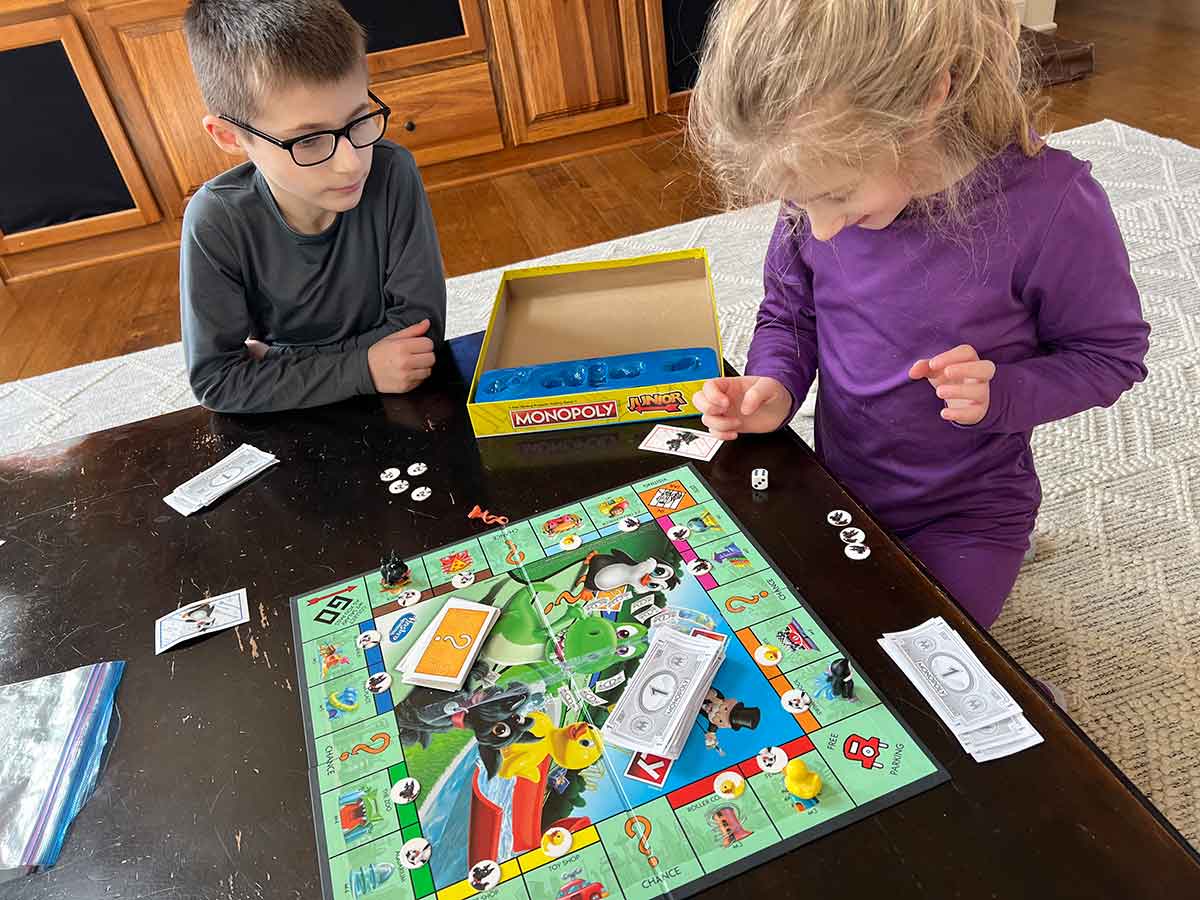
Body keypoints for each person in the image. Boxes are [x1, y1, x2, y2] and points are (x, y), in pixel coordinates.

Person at [688, 0, 1150, 629]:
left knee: (916, 669)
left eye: (836, 197)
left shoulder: (1052, 205)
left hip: (970, 514)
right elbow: (791, 314)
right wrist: (773, 385)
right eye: (797, 203)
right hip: (839, 488)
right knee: (759, 619)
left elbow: (1111, 357)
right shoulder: (818, 173)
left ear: (929, 98)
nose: (818, 228)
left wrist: (1003, 392)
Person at [179, 0, 446, 413]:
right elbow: (218, 380)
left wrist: (278, 361)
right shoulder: (216, 221)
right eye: (307, 141)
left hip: (391, 396)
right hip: (289, 420)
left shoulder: (392, 172)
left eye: (359, 121)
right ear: (229, 136)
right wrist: (362, 367)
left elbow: (420, 338)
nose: (352, 162)